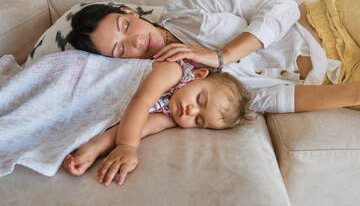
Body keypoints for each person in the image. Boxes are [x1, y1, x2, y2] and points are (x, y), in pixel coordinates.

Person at [66, 0, 360, 114]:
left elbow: (283, 7)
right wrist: (358, 94)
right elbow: (267, 99)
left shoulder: (188, 5)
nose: (134, 42)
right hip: (338, 77)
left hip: (333, 18)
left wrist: (220, 55)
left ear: (128, 12)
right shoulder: (174, 80)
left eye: (124, 27)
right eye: (120, 51)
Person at [63, 59, 256, 186]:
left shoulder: (172, 118)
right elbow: (141, 101)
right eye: (199, 100)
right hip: (90, 75)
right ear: (197, 76)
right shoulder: (174, 71)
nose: (191, 111)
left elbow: (138, 127)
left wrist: (94, 149)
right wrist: (127, 146)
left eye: (198, 120)